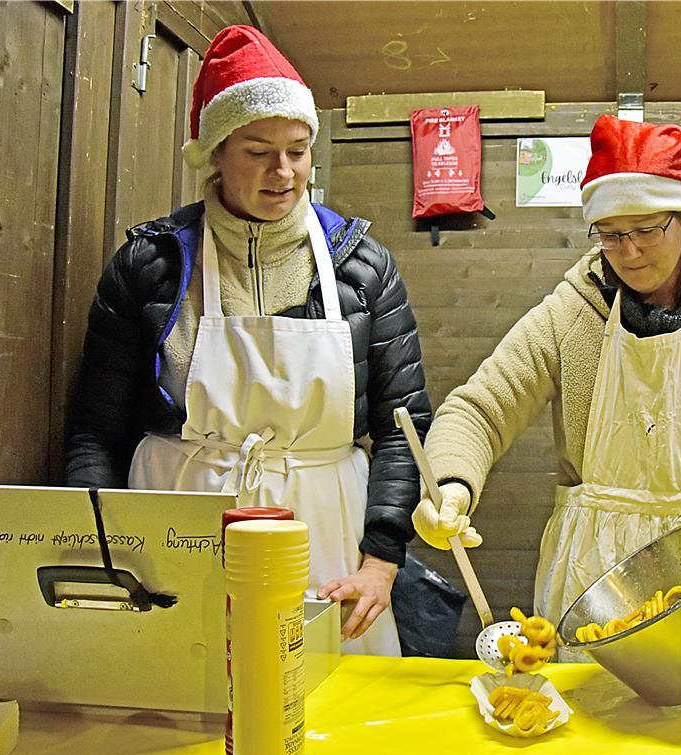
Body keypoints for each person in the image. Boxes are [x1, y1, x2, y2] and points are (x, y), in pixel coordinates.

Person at [63, 25, 431, 656]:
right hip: (179, 521)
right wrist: (105, 548)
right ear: (214, 153)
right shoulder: (150, 266)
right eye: (258, 150)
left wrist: (381, 558)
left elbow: (404, 428)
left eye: (297, 149)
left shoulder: (361, 267)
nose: (282, 172)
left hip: (325, 526)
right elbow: (96, 430)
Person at [412, 115, 681, 628]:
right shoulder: (572, 313)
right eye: (610, 235)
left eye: (648, 230)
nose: (629, 252)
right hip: (591, 571)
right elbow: (479, 410)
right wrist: (449, 484)